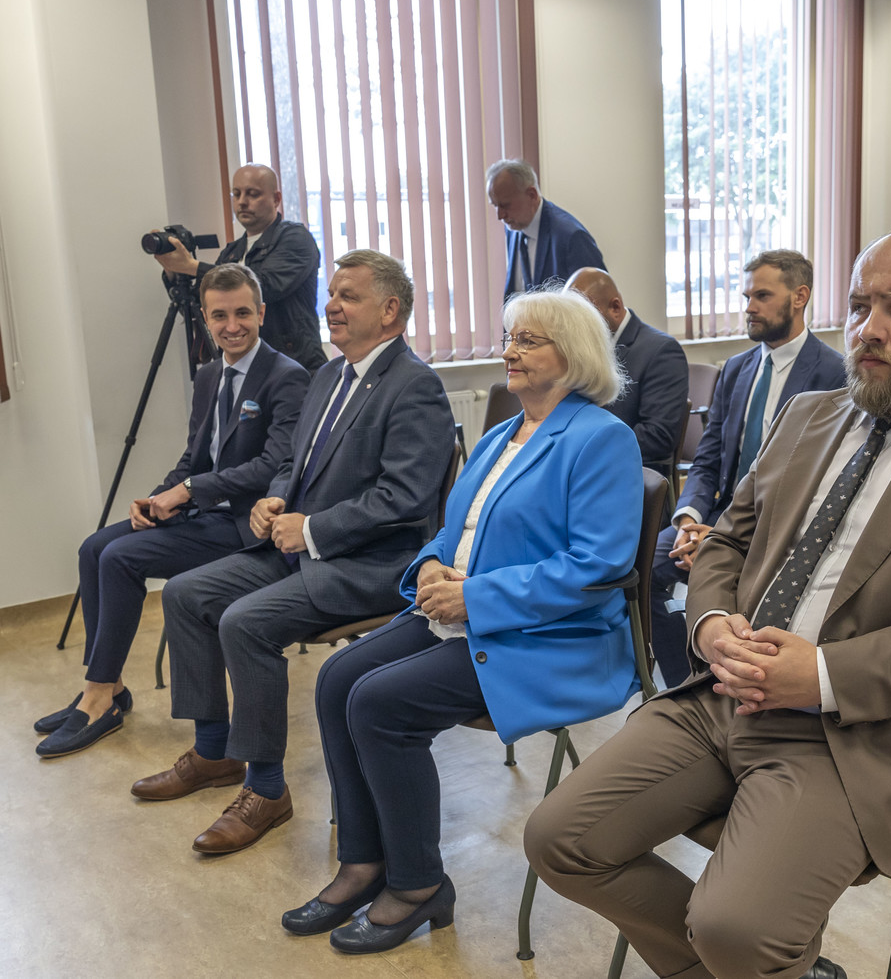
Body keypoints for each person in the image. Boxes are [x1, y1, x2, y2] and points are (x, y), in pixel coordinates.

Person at [523, 227, 891, 979]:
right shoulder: (808, 415)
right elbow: (728, 540)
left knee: (735, 929)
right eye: (859, 306)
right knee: (559, 840)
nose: (869, 329)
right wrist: (710, 624)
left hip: (860, 733)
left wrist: (821, 675)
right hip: (723, 697)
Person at [281, 289, 644, 955]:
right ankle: (364, 862)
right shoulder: (504, 433)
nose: (509, 350)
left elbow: (596, 566)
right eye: (509, 336)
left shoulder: (602, 439)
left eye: (527, 340)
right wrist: (428, 565)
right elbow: (457, 529)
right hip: (471, 612)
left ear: (573, 353)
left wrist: (477, 597)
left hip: (547, 636)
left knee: (379, 703)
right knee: (335, 680)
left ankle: (418, 882)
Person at [132, 250, 456, 855]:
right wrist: (274, 500)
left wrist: (311, 530)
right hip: (298, 545)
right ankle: (213, 751)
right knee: (184, 593)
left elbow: (404, 499)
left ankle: (266, 789)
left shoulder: (416, 386)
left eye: (348, 296)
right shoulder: (329, 375)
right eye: (331, 294)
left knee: (244, 622)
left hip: (370, 563)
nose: (331, 305)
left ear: (390, 311)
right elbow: (292, 463)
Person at [34, 265, 309, 758]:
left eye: (243, 313)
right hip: (203, 511)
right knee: (93, 548)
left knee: (121, 558)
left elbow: (273, 466)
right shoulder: (208, 375)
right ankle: (110, 685)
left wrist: (187, 491)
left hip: (244, 524)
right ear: (204, 318)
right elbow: (194, 457)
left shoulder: (287, 376)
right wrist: (157, 498)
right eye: (219, 316)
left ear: (262, 313)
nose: (232, 326)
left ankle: (98, 697)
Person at [651, 249, 846, 687]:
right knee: (639, 570)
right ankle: (688, 686)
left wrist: (722, 538)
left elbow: (824, 483)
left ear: (799, 297)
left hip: (782, 528)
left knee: (732, 583)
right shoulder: (737, 369)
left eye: (762, 296)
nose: (749, 307)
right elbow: (708, 459)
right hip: (715, 519)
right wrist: (688, 521)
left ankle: (736, 681)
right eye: (747, 297)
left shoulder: (834, 373)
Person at [155, 163, 328, 372]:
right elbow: (201, 308)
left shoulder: (295, 238)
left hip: (294, 365)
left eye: (252, 194)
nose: (242, 202)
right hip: (242, 366)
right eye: (236, 194)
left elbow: (265, 286)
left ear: (276, 199)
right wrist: (173, 270)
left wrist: (193, 266)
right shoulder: (232, 251)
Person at [565, 266, 690, 478]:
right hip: (583, 467)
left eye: (584, 316)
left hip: (628, 473)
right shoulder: (582, 350)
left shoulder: (661, 351)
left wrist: (584, 449)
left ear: (615, 307)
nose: (574, 327)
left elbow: (657, 436)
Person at [487, 159, 606, 299]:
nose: (500, 216)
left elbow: (599, 302)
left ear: (532, 195)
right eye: (495, 206)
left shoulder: (571, 237)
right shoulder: (513, 228)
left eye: (505, 205)